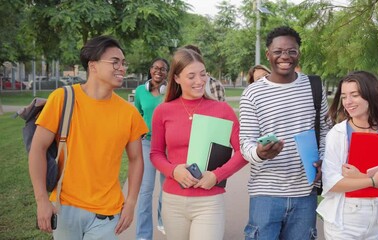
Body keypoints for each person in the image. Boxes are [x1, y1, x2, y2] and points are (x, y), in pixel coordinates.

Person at [29, 35, 148, 239]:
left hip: (107, 214)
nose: (122, 68)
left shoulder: (129, 114)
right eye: (115, 62)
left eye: (123, 63)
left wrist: (130, 203)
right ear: (93, 66)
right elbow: (37, 149)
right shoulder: (62, 98)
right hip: (65, 209)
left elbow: (137, 159)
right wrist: (41, 200)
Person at [239, 26, 329, 240]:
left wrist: (324, 159)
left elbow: (326, 131)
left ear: (299, 53)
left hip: (304, 193)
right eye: (278, 51)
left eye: (292, 51)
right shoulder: (252, 93)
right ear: (268, 54)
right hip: (266, 194)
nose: (285, 57)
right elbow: (246, 143)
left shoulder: (314, 86)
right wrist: (260, 153)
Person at [150, 48, 247, 240]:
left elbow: (243, 151)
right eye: (191, 76)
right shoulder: (163, 111)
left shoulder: (222, 110)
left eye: (203, 74)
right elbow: (155, 153)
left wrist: (217, 175)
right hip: (173, 200)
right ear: (176, 78)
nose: (199, 81)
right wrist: (173, 170)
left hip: (209, 201)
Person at [317, 71, 378, 239]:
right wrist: (374, 180)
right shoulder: (338, 133)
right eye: (344, 96)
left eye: (354, 95)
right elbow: (332, 182)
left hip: (376, 218)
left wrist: (359, 176)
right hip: (343, 220)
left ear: (370, 95)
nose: (348, 102)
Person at [134, 57, 169, 239]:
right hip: (147, 144)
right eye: (155, 68)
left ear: (167, 73)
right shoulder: (140, 91)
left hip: (167, 146)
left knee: (167, 189)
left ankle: (164, 223)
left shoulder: (171, 92)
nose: (158, 71)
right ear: (150, 70)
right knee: (146, 191)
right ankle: (143, 236)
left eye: (162, 69)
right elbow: (138, 114)